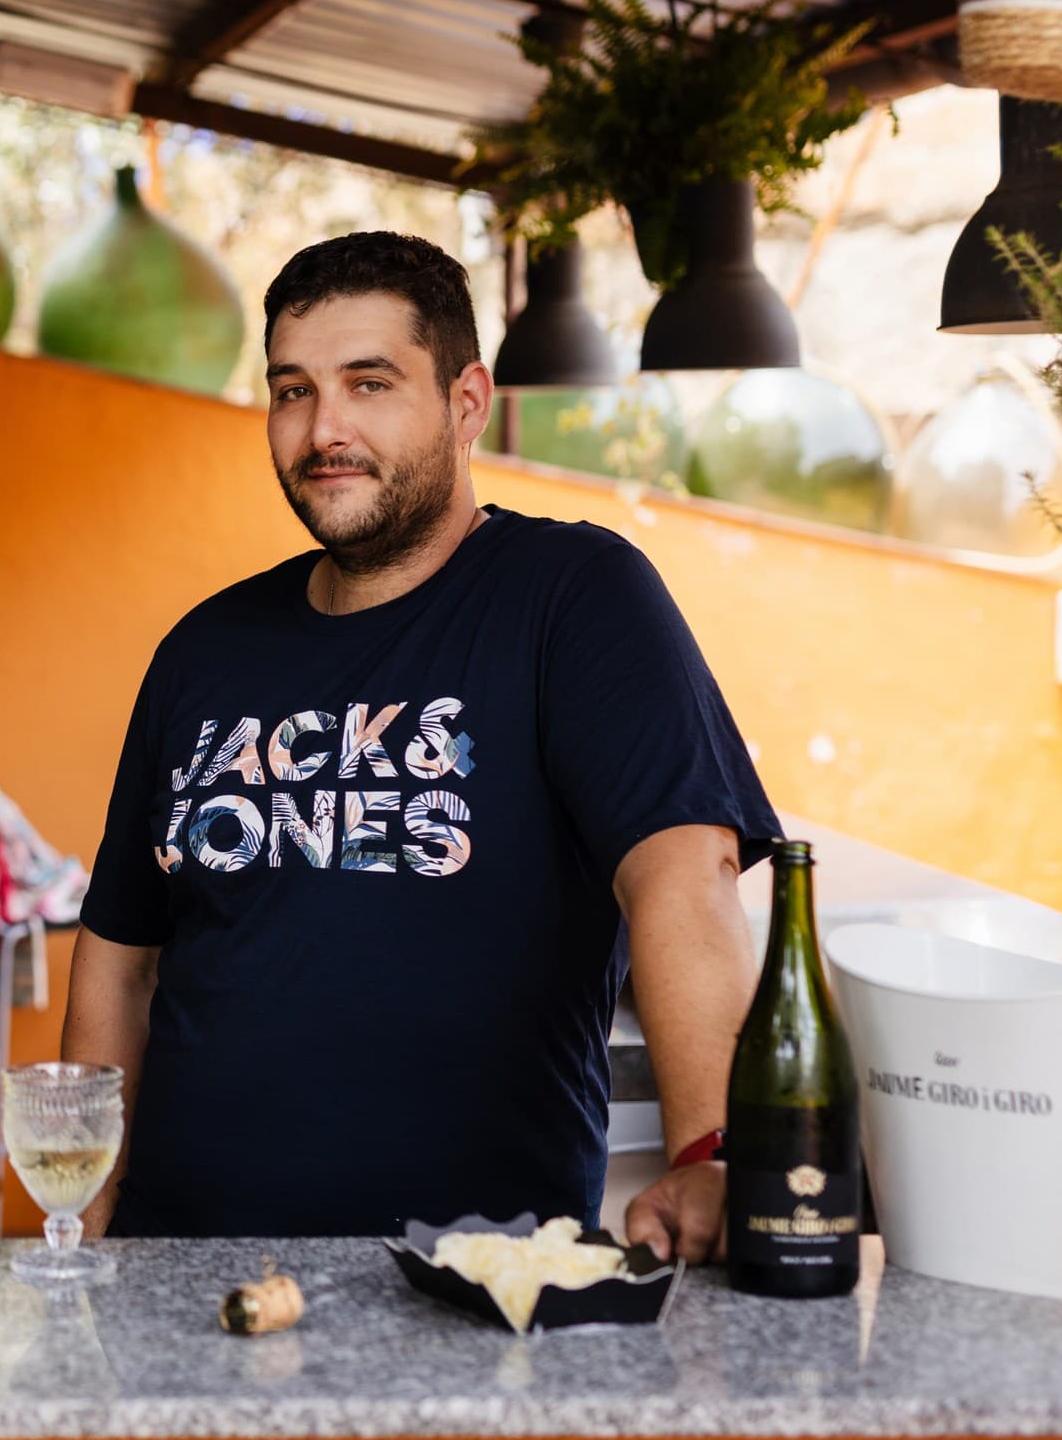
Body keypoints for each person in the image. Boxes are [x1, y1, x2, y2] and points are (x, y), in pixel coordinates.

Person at [61, 232, 775, 1262]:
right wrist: (85, 1240)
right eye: (293, 390)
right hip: (183, 1270)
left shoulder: (571, 597)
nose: (323, 429)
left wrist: (711, 1148)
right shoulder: (203, 650)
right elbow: (118, 964)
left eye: (369, 383)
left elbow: (682, 872)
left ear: (466, 402)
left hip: (471, 1278)